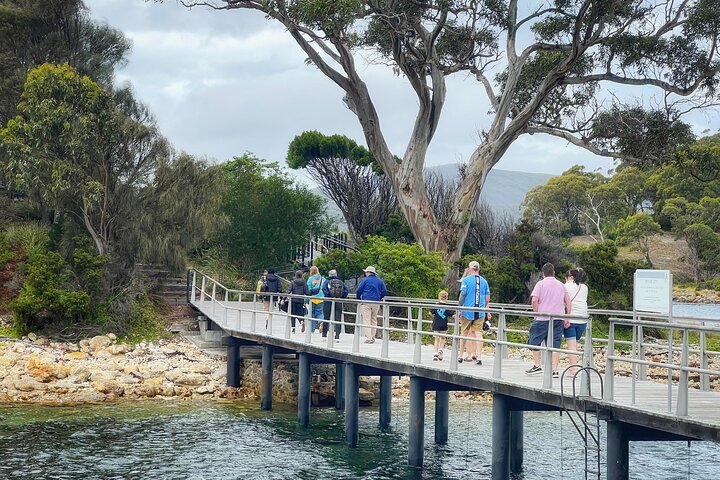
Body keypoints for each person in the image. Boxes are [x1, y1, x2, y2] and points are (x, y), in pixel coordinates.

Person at [526, 263, 572, 378]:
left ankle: (537, 365)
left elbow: (534, 301)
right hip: (558, 318)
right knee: (555, 344)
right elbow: (568, 302)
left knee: (533, 340)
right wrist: (567, 317)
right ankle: (555, 370)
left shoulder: (540, 284)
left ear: (543, 273)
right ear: (554, 273)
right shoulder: (561, 285)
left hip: (543, 318)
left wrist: (537, 313)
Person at [458, 260, 491, 365]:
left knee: (464, 332)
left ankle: (460, 356)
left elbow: (463, 294)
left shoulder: (466, 280)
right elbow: (487, 297)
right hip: (480, 311)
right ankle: (479, 357)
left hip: (467, 310)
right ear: (478, 269)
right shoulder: (484, 281)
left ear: (470, 269)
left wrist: (460, 307)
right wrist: (484, 306)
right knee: (478, 334)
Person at [564, 267, 589, 374]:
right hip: (583, 319)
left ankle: (574, 369)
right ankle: (573, 366)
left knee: (571, 345)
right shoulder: (584, 287)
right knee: (575, 344)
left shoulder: (565, 286)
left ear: (570, 276)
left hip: (571, 319)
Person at [355, 265, 388, 344]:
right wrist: (379, 297)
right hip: (376, 302)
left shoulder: (365, 280)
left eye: (366, 272)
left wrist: (359, 298)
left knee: (366, 320)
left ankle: (369, 338)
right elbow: (384, 291)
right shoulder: (380, 281)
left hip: (366, 301)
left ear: (368, 272)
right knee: (374, 319)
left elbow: (359, 290)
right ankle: (373, 336)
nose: (365, 273)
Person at [322, 269, 349, 342]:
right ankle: (337, 336)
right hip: (338, 300)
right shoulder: (340, 282)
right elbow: (346, 290)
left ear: (329, 275)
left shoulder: (327, 281)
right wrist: (341, 297)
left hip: (328, 301)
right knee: (338, 318)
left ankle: (324, 335)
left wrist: (328, 296)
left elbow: (324, 289)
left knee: (326, 318)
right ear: (336, 275)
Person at [430, 290, 455, 361]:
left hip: (436, 324)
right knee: (443, 338)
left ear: (439, 297)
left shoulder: (436, 305)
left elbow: (431, 313)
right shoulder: (447, 306)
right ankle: (440, 349)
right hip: (444, 325)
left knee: (436, 338)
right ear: (447, 298)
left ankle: (435, 353)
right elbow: (453, 314)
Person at [306, 266, 325, 333]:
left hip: (312, 298)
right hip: (321, 298)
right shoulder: (322, 278)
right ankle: (321, 322)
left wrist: (305, 300)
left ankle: (312, 330)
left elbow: (307, 290)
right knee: (320, 312)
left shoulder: (310, 279)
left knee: (312, 314)